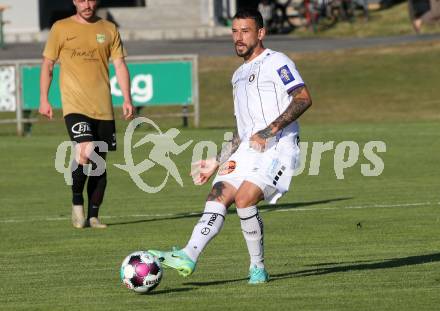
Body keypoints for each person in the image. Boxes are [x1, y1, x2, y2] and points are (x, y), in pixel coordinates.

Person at [149, 8, 312, 284]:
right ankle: (188, 254)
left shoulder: (277, 61)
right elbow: (242, 131)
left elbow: (303, 98)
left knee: (244, 198)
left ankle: (257, 268)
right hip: (248, 149)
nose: (239, 37)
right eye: (235, 32)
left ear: (260, 33)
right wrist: (216, 160)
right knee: (217, 195)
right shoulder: (237, 76)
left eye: (245, 31)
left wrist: (269, 130)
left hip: (278, 148)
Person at [39, 0, 134, 229]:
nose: (87, 4)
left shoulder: (109, 29)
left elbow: (120, 65)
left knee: (98, 163)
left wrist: (127, 98)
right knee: (85, 150)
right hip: (74, 106)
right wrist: (44, 98)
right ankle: (76, 202)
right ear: (74, 1)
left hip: (102, 107)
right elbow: (48, 65)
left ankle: (93, 216)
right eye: (81, 0)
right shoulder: (60, 28)